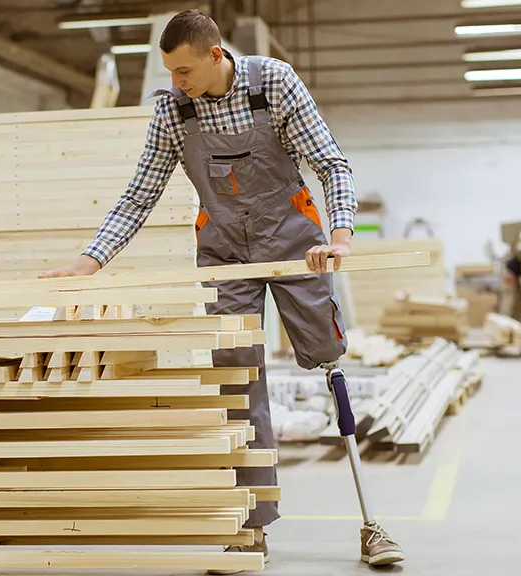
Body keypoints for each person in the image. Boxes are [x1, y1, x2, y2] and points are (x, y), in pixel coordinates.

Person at [39, 8, 404, 574]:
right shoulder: (172, 109)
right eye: (169, 72)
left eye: (184, 70)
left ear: (215, 55)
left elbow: (330, 164)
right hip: (225, 253)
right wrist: (88, 264)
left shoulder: (275, 83)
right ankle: (250, 528)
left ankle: (371, 522)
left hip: (294, 240)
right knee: (238, 379)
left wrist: (340, 238)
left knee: (326, 356)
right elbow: (140, 194)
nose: (175, 82)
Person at [501, 226, 521, 322]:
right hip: (510, 271)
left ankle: (516, 322)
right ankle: (505, 322)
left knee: (519, 300)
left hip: (516, 272)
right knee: (510, 298)